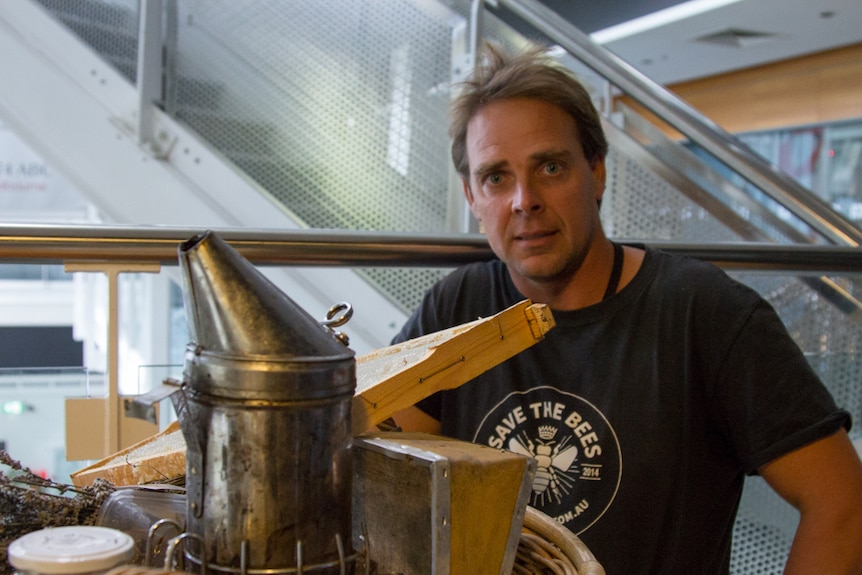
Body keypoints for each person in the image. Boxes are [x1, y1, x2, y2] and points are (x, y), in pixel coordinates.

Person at [390, 42, 862, 574]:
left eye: (550, 166)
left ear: (596, 172)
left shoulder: (704, 313)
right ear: (472, 197)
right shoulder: (459, 307)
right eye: (496, 177)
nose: (524, 200)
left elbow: (842, 504)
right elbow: (377, 461)